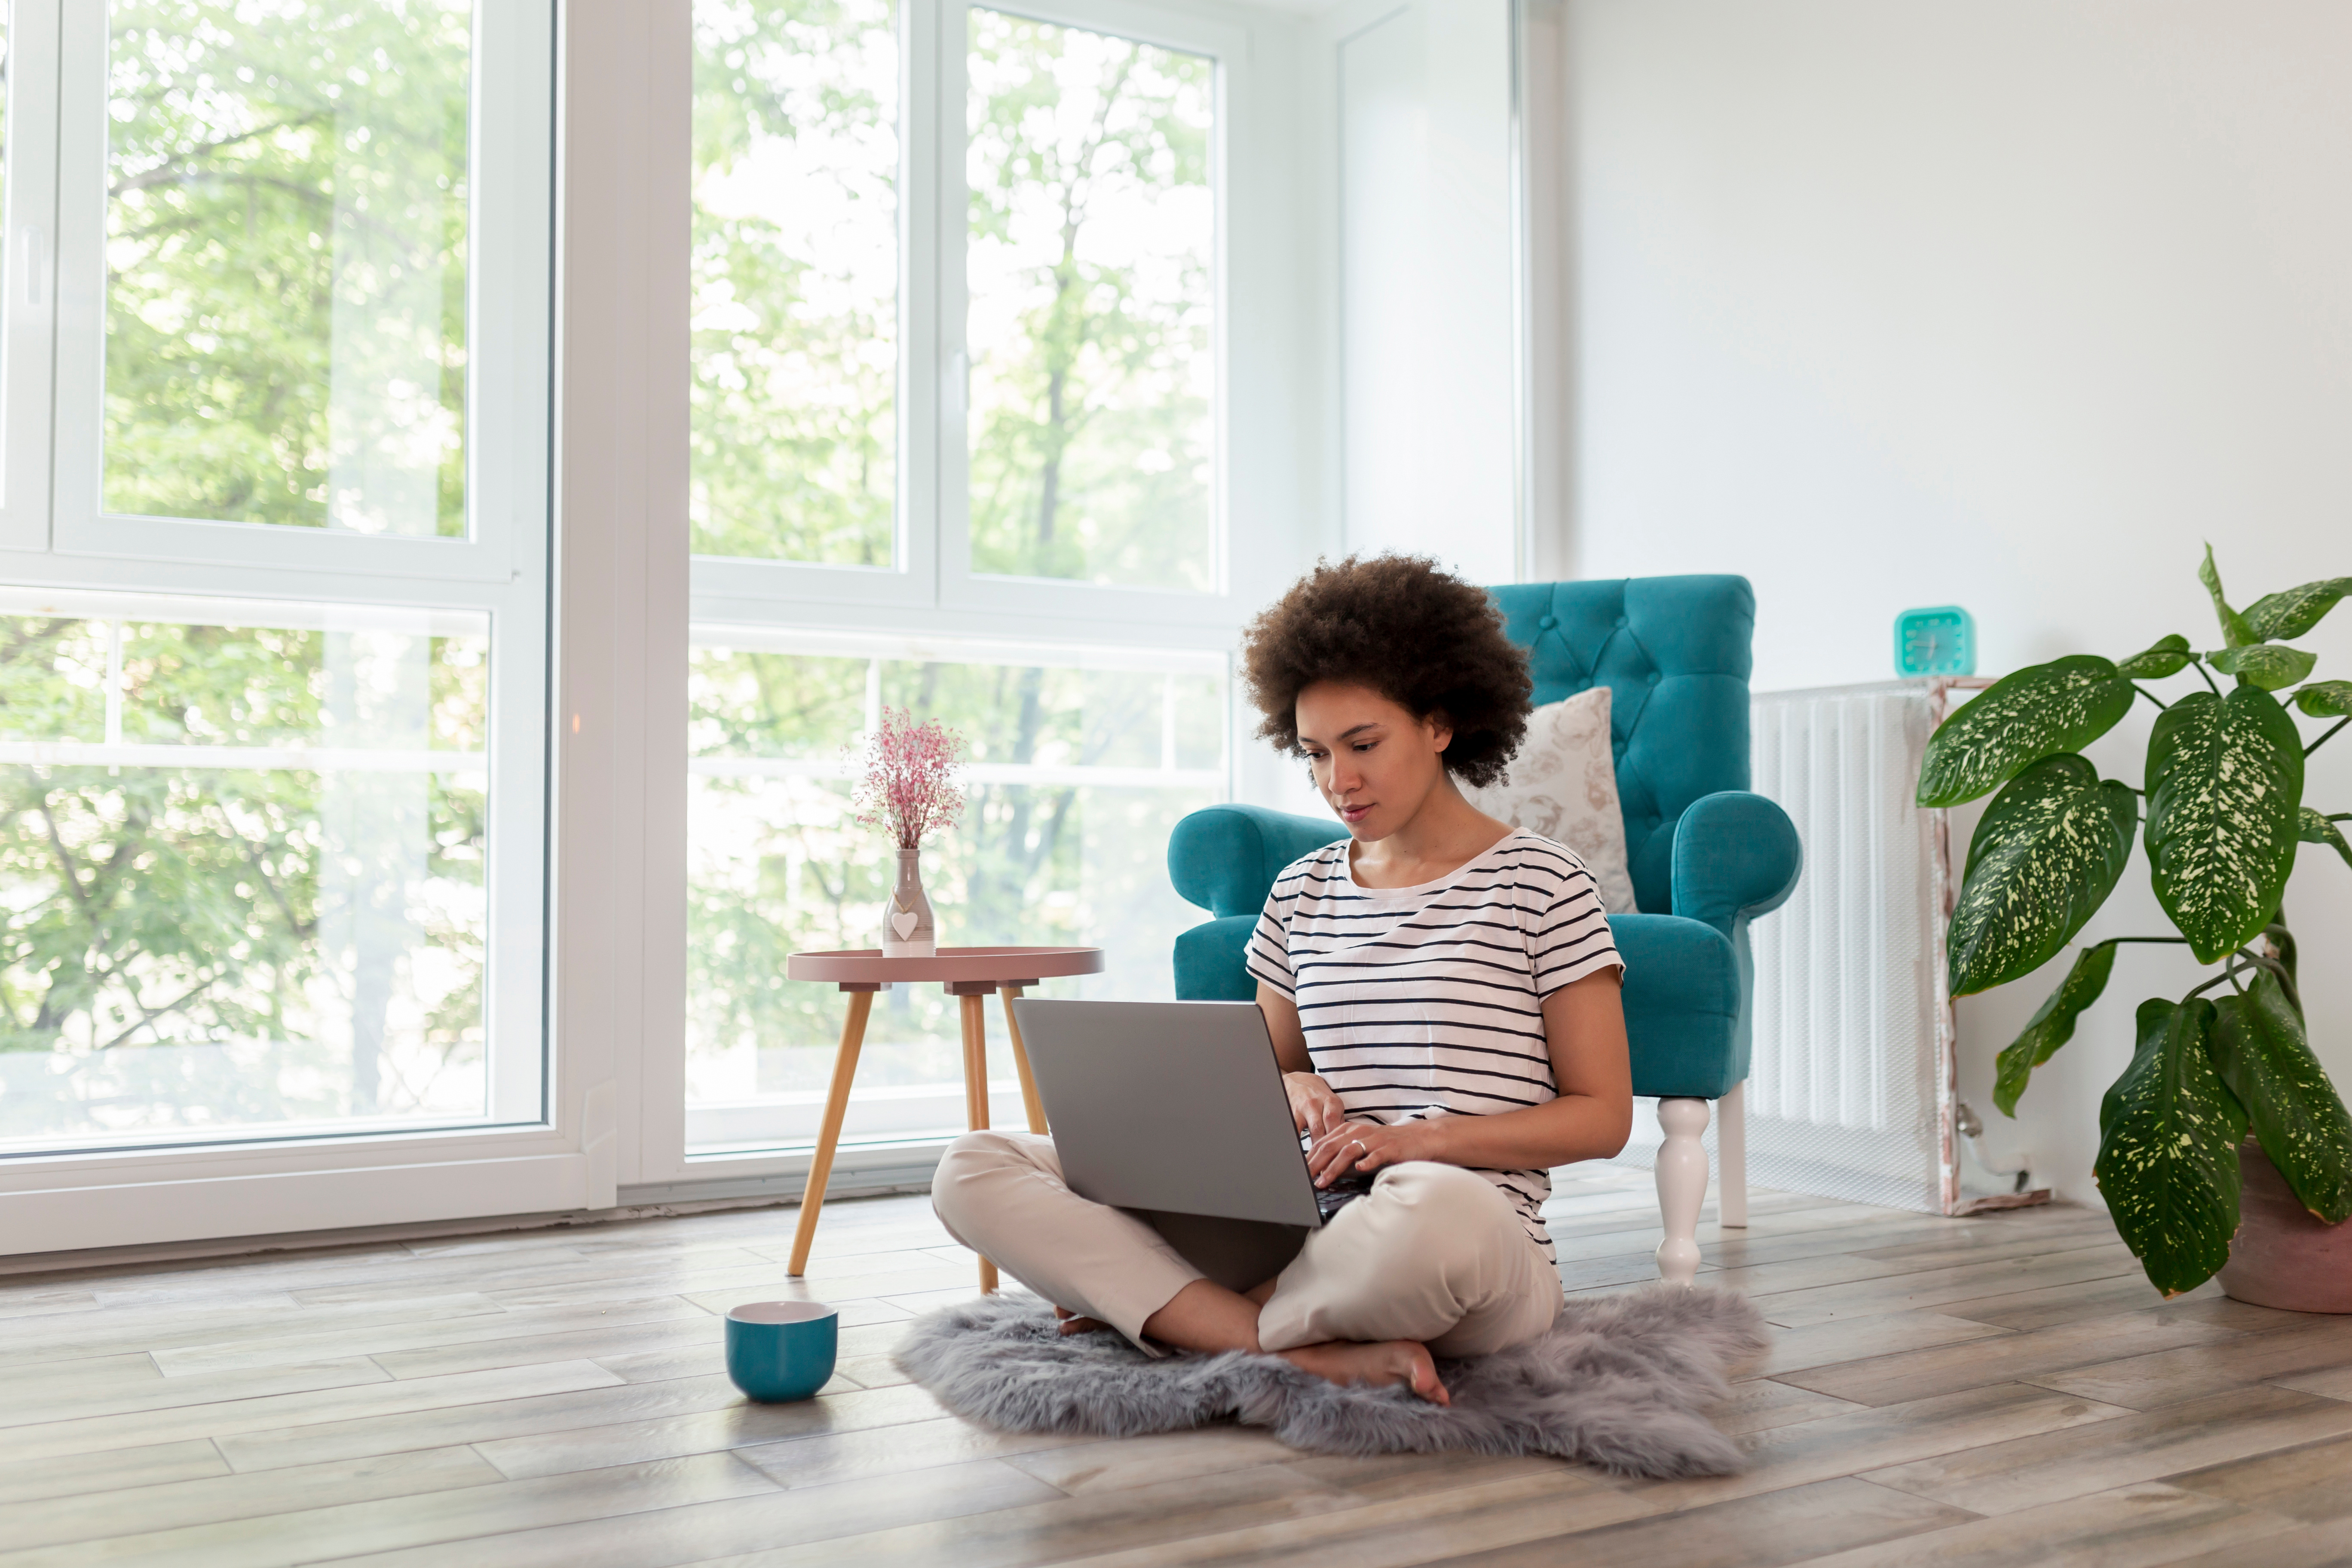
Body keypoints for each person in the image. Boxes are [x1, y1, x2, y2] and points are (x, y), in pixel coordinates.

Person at [931, 554, 1632, 1402]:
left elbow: (1603, 1118)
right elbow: (1261, 1072)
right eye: (1316, 754)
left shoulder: (1543, 883)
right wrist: (1293, 1088)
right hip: (1303, 1229)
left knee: (1434, 1213)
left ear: (1440, 724)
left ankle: (1178, 1316)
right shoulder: (1301, 892)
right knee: (974, 1166)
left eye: (1364, 744)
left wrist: (1419, 1141)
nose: (1340, 780)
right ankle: (1284, 1342)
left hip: (1460, 1238)